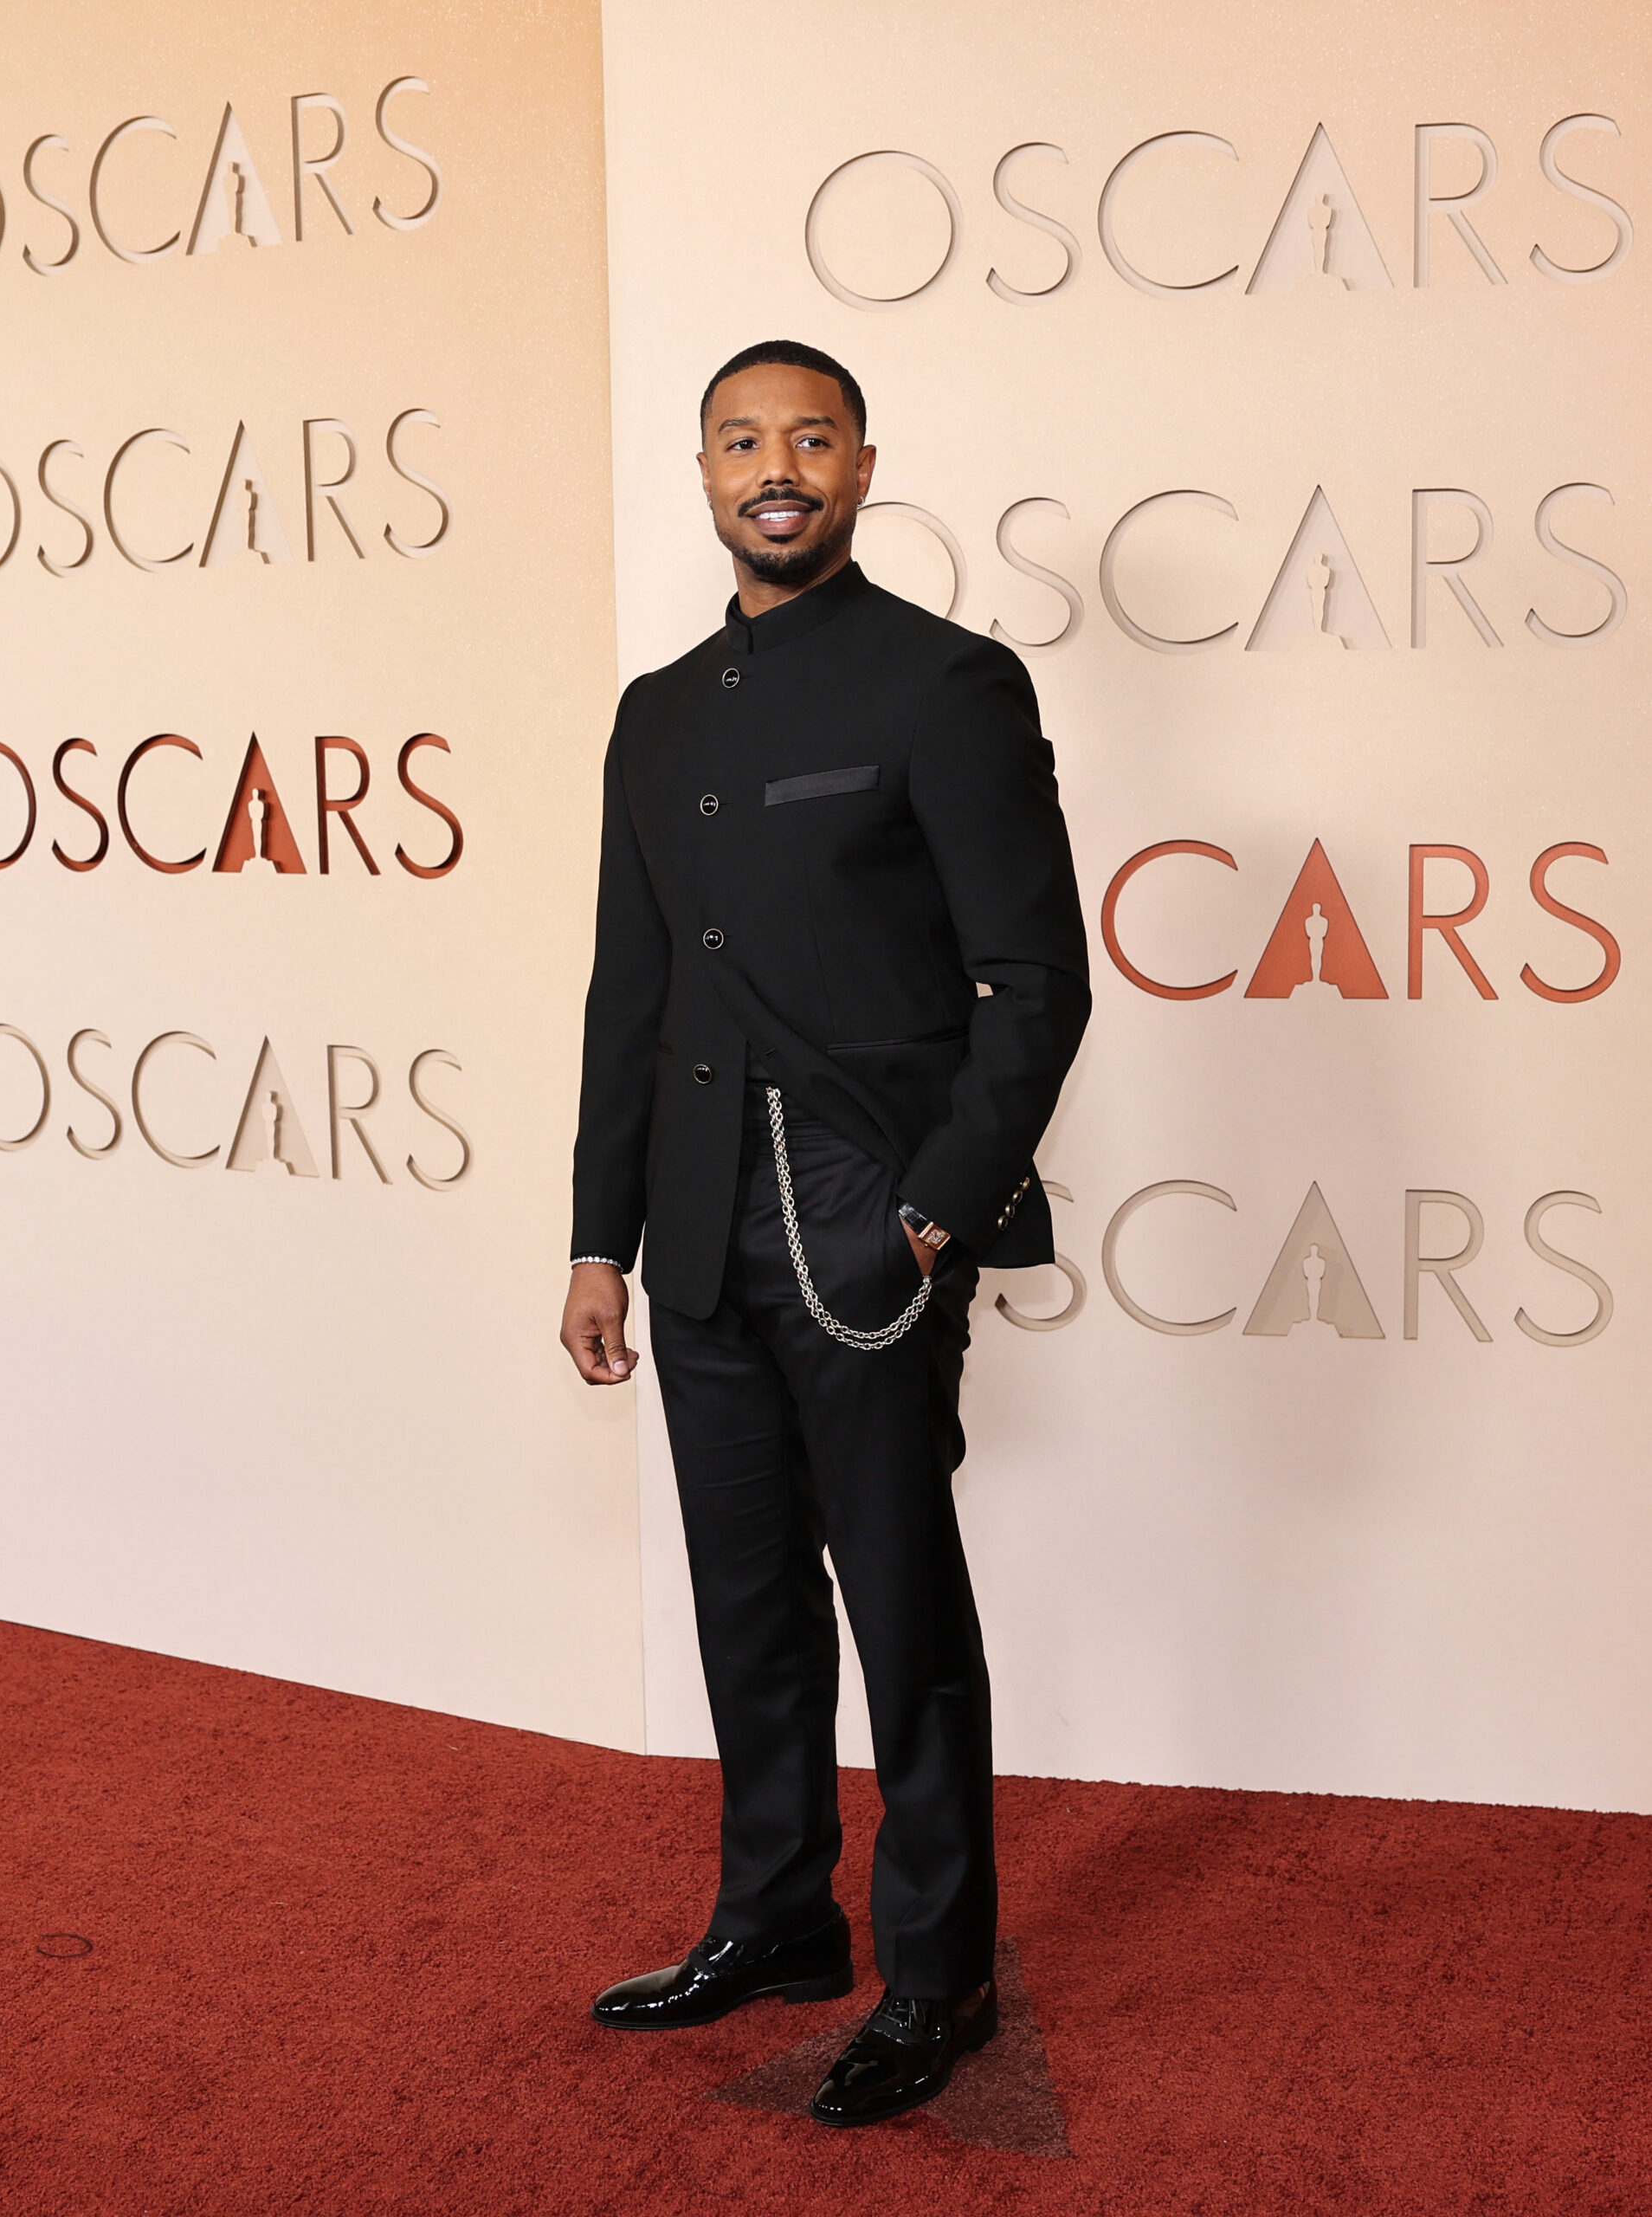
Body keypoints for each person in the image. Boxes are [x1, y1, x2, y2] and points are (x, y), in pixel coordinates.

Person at [560, 339, 1090, 2127]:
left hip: (864, 1215)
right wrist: (598, 1235)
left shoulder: (946, 682)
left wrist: (932, 1212)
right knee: (746, 1601)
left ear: (863, 465)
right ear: (704, 471)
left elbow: (1035, 982)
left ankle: (941, 1973)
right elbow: (629, 990)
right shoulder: (656, 712)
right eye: (741, 441)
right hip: (696, 1220)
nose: (773, 467)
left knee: (902, 1608)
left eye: (808, 438)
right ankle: (778, 1916)